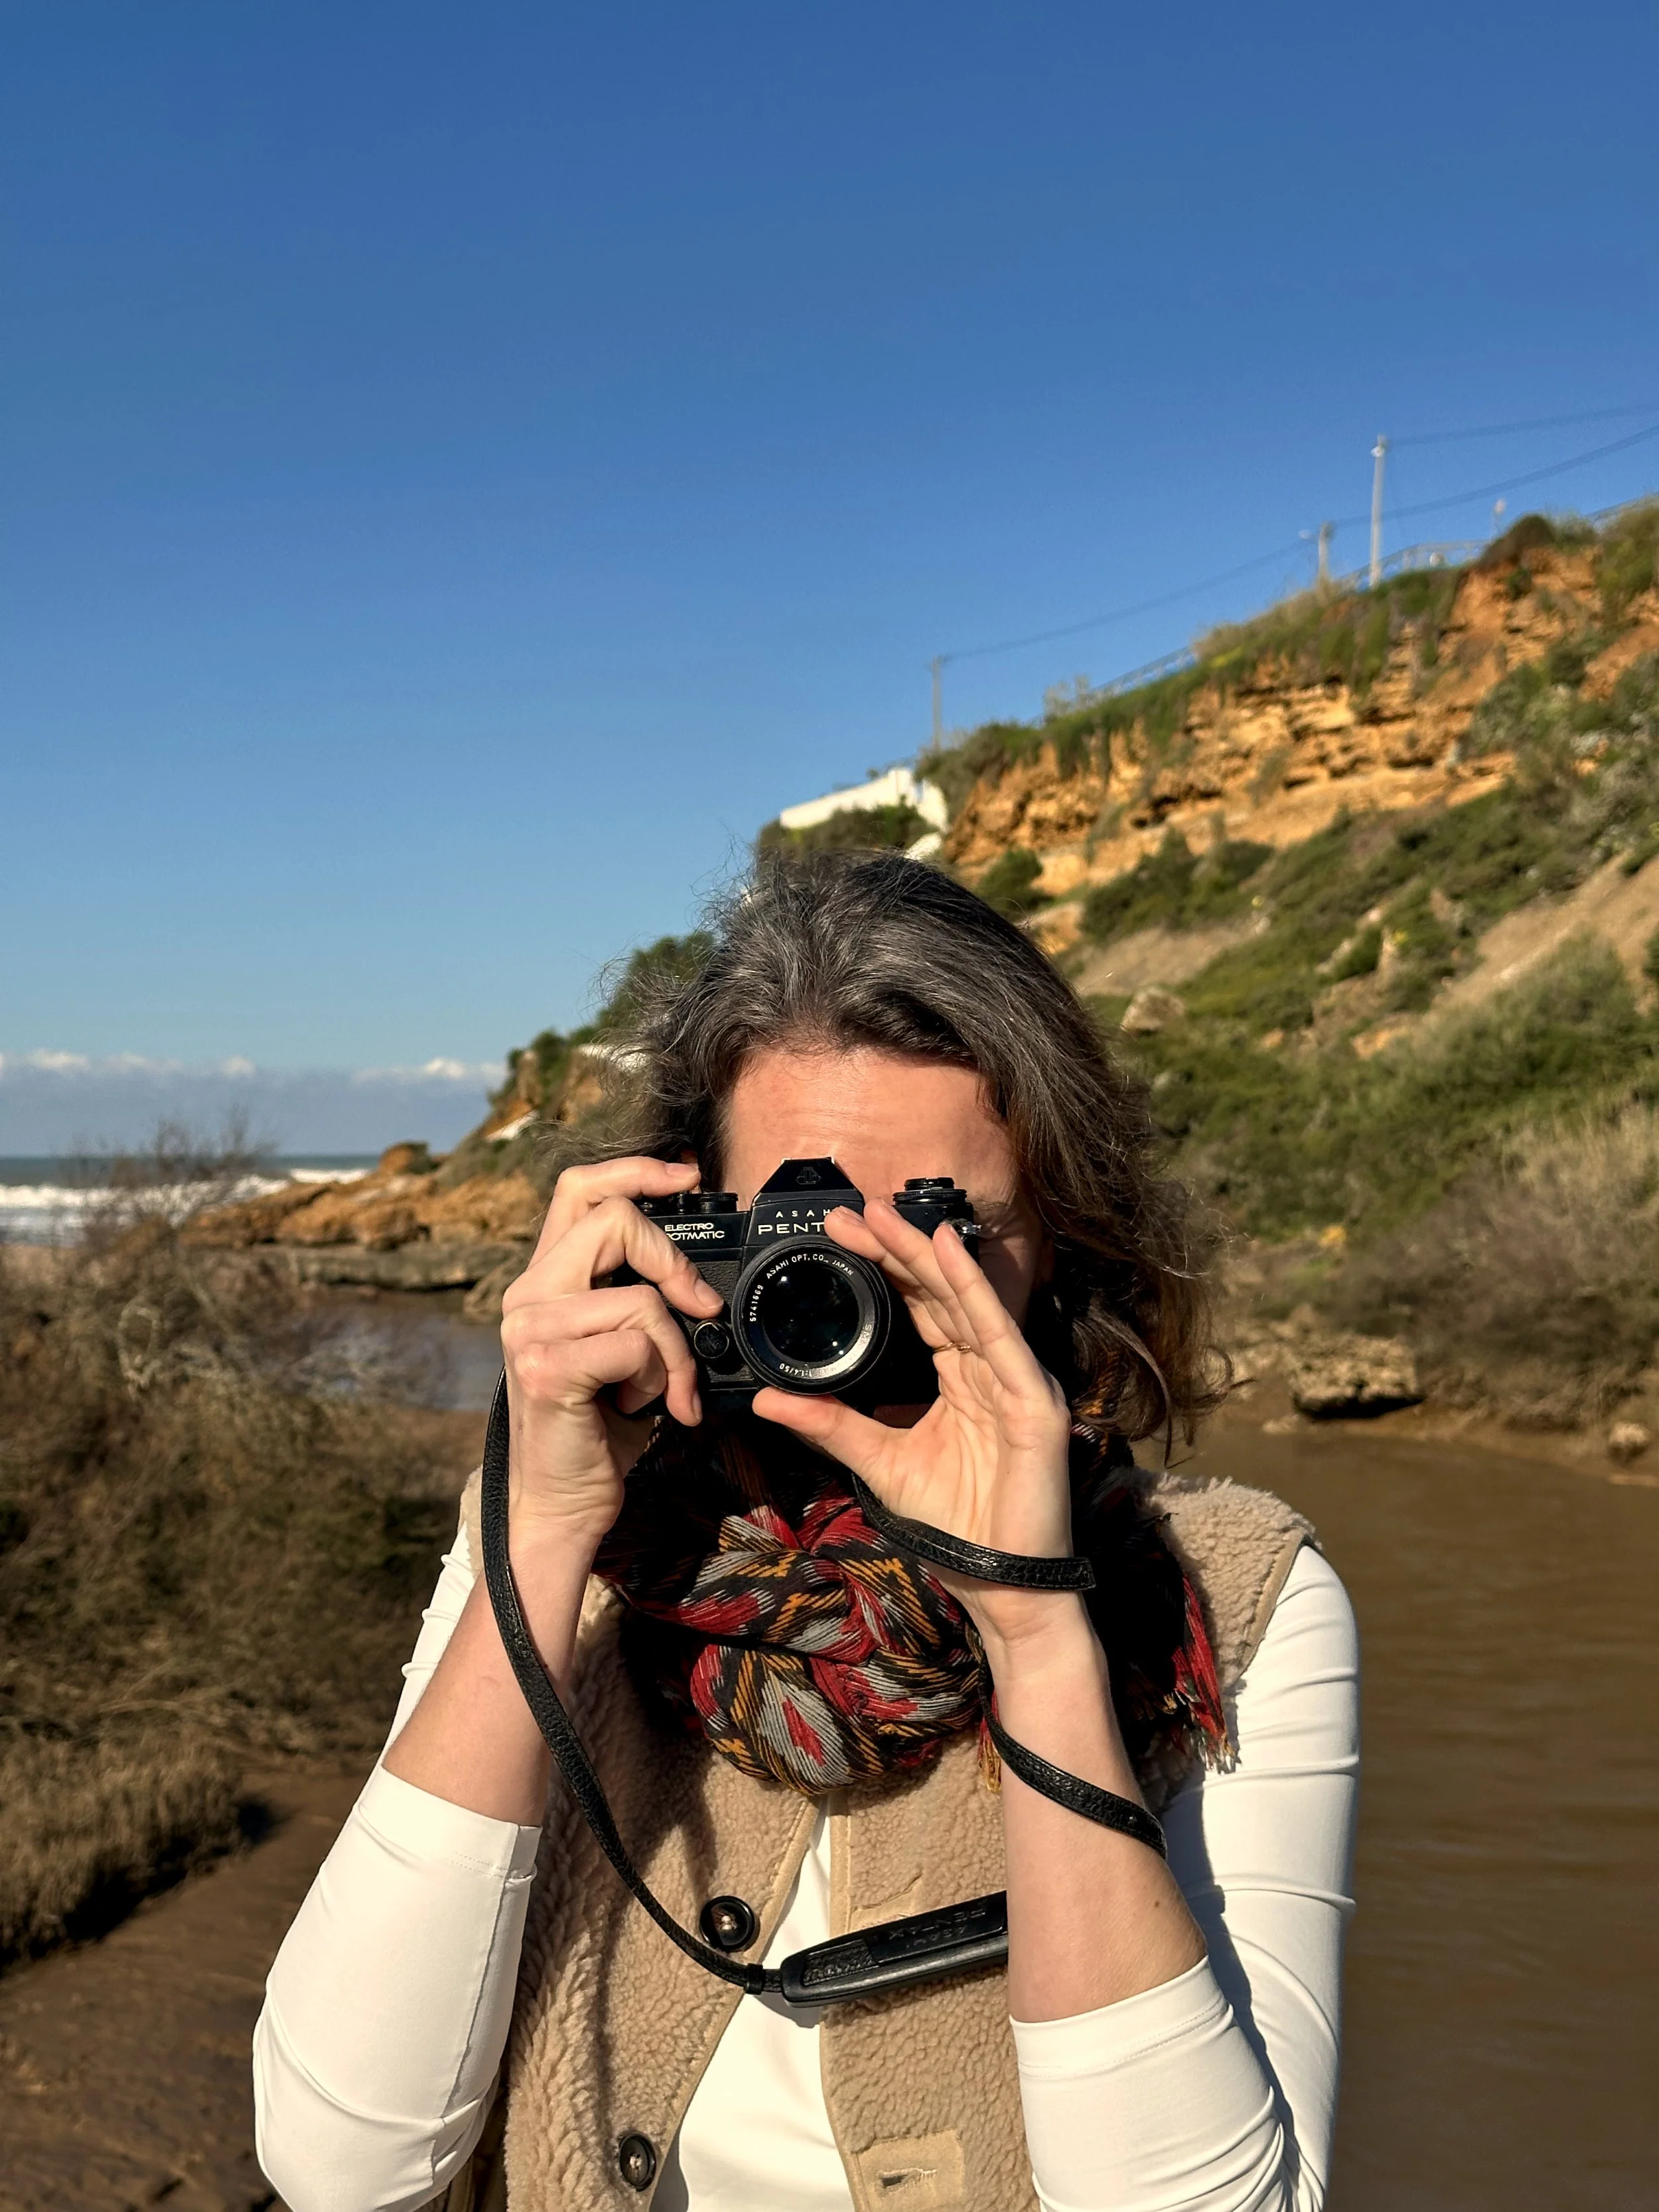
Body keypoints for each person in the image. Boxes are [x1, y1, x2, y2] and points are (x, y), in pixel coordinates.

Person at [253, 851, 1358, 2212]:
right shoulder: (570, 1552)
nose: (868, 1299)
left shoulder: (1227, 1596)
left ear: (1060, 1238)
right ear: (685, 1224)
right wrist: (540, 1531)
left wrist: (1030, 1620)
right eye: (803, 1236)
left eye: (944, 1236)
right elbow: (339, 2167)